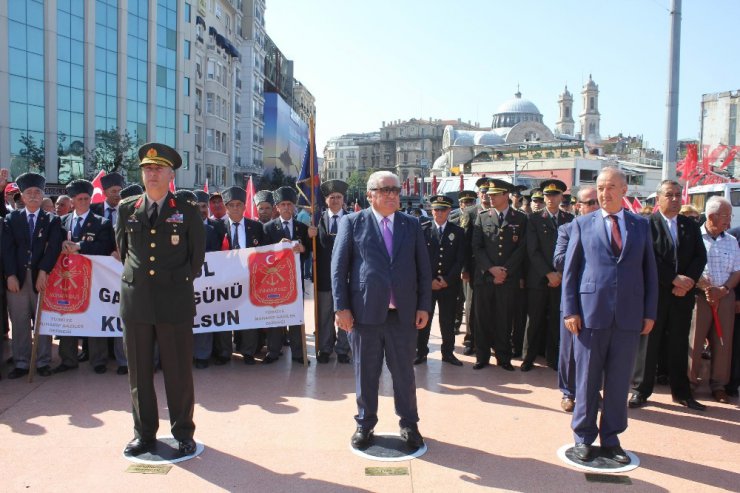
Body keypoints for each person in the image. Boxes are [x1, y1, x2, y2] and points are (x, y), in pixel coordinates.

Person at [562, 167, 657, 464]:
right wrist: (571, 310)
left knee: (618, 383)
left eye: (611, 187)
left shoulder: (640, 225)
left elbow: (650, 272)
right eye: (601, 187)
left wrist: (649, 312)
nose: (605, 193)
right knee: (588, 381)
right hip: (590, 315)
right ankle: (583, 437)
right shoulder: (581, 224)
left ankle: (612, 439)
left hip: (629, 317)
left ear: (624, 190)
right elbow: (571, 273)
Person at [117, 143, 205, 457]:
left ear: (170, 175)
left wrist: (172, 283)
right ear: (142, 173)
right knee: (139, 374)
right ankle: (143, 434)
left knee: (178, 372)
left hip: (174, 302)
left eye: (158, 169)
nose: (152, 174)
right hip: (137, 302)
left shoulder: (188, 210)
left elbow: (196, 259)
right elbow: (124, 251)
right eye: (147, 169)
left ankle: (183, 432)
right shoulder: (127, 208)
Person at [332, 170, 431, 450]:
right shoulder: (352, 223)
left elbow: (423, 269)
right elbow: (338, 270)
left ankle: (409, 424)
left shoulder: (411, 225)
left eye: (395, 190)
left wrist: (423, 305)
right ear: (369, 195)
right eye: (385, 190)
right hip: (364, 314)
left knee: (404, 373)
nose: (391, 195)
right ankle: (365, 424)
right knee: (366, 372)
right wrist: (342, 308)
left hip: (403, 314)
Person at [628, 180, 707, 410]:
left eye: (677, 195)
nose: (674, 199)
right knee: (649, 341)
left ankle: (682, 393)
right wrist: (673, 279)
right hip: (656, 293)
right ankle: (640, 390)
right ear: (658, 198)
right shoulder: (646, 225)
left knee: (679, 342)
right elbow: (647, 257)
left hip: (683, 295)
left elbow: (699, 257)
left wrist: (687, 281)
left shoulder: (690, 225)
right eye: (669, 195)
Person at [3, 172, 64, 379]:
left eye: (37, 192)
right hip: (18, 278)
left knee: (42, 320)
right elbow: (7, 249)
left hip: (42, 277)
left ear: (42, 194)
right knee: (19, 321)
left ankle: (43, 361)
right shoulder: (11, 219)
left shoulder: (52, 220)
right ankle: (21, 361)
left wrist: (44, 271)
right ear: (21, 195)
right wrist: (10, 274)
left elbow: (54, 247)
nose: (33, 196)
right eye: (29, 192)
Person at [54, 179, 117, 374]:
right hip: (67, 278)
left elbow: (105, 247)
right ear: (72, 201)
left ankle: (98, 360)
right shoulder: (62, 222)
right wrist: (62, 246)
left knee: (95, 315)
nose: (84, 202)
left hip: (93, 278)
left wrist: (79, 247)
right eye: (80, 199)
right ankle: (68, 358)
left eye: (87, 198)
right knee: (67, 316)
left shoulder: (102, 223)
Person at [472, 179, 528, 372]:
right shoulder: (482, 217)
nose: (490, 197)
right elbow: (477, 247)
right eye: (490, 194)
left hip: (508, 278)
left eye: (495, 194)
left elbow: (521, 248)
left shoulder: (520, 218)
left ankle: (503, 357)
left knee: (504, 319)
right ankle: (482, 356)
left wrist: (505, 271)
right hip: (486, 277)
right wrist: (491, 269)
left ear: (506, 195)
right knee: (482, 319)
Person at [689, 196, 740, 404]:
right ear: (711, 217)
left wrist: (723, 289)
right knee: (695, 340)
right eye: (726, 216)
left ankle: (719, 385)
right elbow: (688, 265)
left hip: (725, 296)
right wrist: (705, 287)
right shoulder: (694, 237)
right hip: (700, 296)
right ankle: (690, 383)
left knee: (723, 342)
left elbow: (737, 271)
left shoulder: (732, 240)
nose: (730, 220)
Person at [553, 186, 600, 412]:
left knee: (597, 349)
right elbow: (559, 260)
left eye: (595, 202)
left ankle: (591, 391)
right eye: (587, 203)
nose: (592, 207)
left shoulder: (608, 228)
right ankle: (568, 392)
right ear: (577, 206)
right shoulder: (567, 229)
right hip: (574, 297)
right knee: (569, 349)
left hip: (600, 299)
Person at [522, 179, 573, 372]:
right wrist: (548, 273)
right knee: (534, 319)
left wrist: (559, 273)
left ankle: (553, 358)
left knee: (555, 320)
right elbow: (532, 250)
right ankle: (528, 357)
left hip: (561, 279)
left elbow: (572, 250)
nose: (550, 199)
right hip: (538, 278)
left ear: (561, 197)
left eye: (554, 195)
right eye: (547, 195)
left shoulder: (569, 220)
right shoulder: (534, 219)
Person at [262, 186, 317, 365]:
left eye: (289, 204)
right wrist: (277, 247)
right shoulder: (268, 228)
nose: (286, 208)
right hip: (274, 281)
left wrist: (303, 248)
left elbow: (309, 251)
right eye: (283, 204)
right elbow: (262, 254)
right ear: (277, 207)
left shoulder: (302, 228)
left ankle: (299, 353)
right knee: (275, 315)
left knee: (295, 316)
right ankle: (273, 351)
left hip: (295, 280)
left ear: (294, 207)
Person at [416, 194, 465, 366]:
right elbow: (418, 259)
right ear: (431, 210)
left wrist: (448, 279)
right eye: (436, 209)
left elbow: (460, 260)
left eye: (443, 210)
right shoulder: (423, 230)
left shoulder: (457, 232)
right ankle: (420, 352)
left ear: (449, 211)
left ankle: (448, 353)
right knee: (423, 319)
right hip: (427, 285)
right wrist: (428, 281)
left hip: (448, 285)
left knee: (447, 320)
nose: (439, 213)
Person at [218, 186, 265, 365]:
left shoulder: (256, 227)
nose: (235, 208)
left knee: (248, 315)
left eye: (239, 205)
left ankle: (248, 351)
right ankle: (224, 351)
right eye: (232, 205)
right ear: (226, 207)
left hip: (249, 279)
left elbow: (266, 250)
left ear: (245, 206)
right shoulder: (217, 227)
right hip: (224, 281)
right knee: (224, 316)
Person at [315, 179, 351, 364]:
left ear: (343, 199)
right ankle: (325, 348)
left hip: (346, 278)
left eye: (338, 197)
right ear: (326, 200)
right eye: (332, 197)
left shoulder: (353, 220)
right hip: (324, 277)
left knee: (345, 313)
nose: (335, 200)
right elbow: (308, 249)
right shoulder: (316, 221)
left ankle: (343, 349)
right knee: (325, 315)